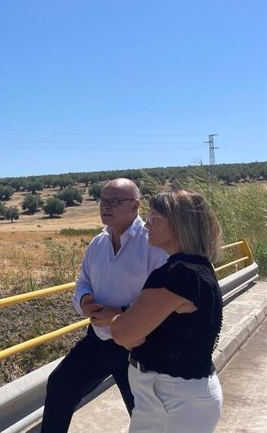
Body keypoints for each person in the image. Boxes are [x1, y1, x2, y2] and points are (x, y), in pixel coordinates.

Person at [41, 178, 167, 433]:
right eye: (103, 200)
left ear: (135, 206)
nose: (105, 206)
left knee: (145, 416)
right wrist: (85, 302)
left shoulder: (152, 244)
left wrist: (120, 314)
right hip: (98, 342)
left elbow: (163, 297)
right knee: (60, 385)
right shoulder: (98, 244)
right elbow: (83, 283)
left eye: (114, 201)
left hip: (137, 347)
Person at [110, 190, 223, 432]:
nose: (147, 224)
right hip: (177, 397)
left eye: (154, 218)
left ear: (180, 224)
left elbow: (123, 333)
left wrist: (122, 323)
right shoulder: (197, 268)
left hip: (171, 400)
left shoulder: (179, 274)